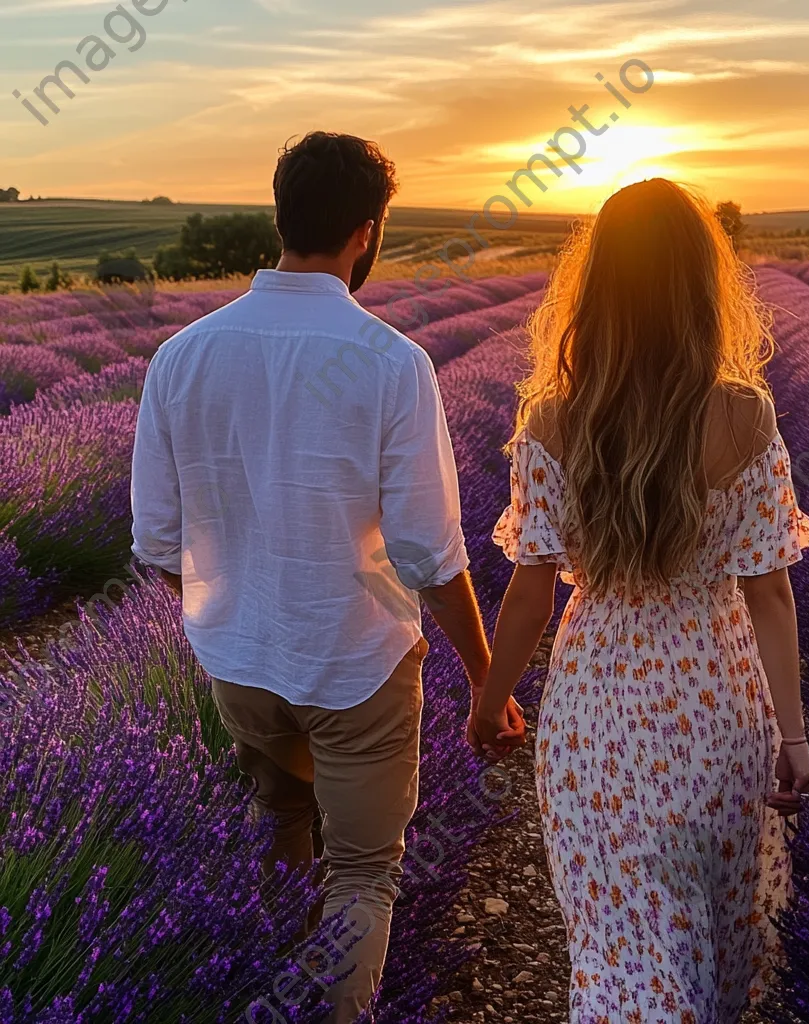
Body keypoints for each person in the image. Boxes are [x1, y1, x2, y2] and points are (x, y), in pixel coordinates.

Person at [130, 130, 524, 1023]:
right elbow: (426, 553)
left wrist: (231, 613)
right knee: (364, 876)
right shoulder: (391, 361)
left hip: (238, 662)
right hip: (358, 664)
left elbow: (157, 543)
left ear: (280, 217)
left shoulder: (182, 356)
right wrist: (483, 679)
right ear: (367, 232)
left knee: (279, 830)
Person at [471, 178, 809, 1024]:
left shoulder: (555, 421)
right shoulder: (744, 416)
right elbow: (769, 592)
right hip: (717, 706)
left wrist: (491, 699)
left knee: (622, 948)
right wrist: (795, 737)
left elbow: (532, 589)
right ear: (704, 287)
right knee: (719, 938)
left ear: (596, 288)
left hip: (600, 712)